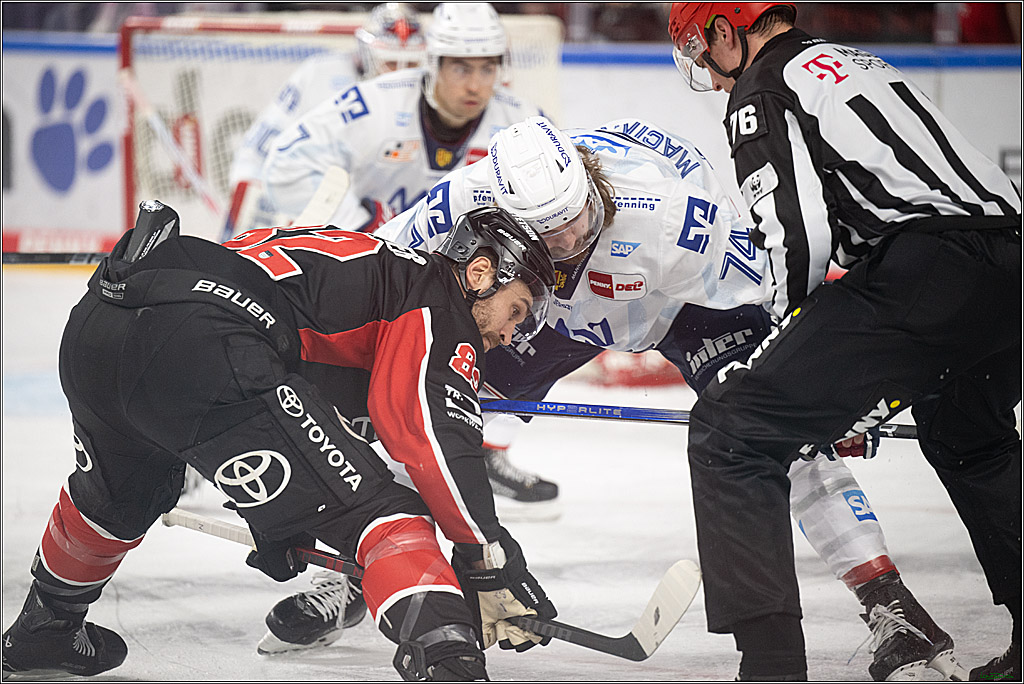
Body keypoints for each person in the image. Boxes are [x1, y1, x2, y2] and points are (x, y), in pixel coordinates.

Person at [377, 115, 976, 681]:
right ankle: (379, 550)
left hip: (681, 301)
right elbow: (370, 268)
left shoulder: (672, 220)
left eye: (578, 221)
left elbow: (787, 291)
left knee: (775, 429)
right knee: (429, 412)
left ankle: (891, 606)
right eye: (548, 234)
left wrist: (835, 388)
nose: (570, 243)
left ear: (589, 186)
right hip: (546, 309)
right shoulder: (459, 204)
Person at [0, 200, 558, 681]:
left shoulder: (366, 264)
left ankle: (46, 626)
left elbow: (303, 411)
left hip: (102, 321)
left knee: (123, 492)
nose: (508, 335)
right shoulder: (439, 299)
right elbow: (427, 433)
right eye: (516, 311)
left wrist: (293, 511)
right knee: (384, 515)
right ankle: (452, 664)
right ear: (481, 273)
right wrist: (487, 557)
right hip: (205, 337)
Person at [668, 3, 1021, 681]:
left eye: (698, 48)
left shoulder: (760, 89)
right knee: (972, 441)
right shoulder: (855, 61)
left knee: (731, 429)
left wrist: (791, 362)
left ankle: (771, 668)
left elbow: (797, 236)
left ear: (723, 29)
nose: (709, 76)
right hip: (1011, 267)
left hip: (933, 271)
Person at [259, 2, 561, 522]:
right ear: (433, 64)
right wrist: (352, 227)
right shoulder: (374, 106)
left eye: (487, 67)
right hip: (379, 281)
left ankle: (487, 447)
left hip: (469, 287)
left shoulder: (522, 126)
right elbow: (288, 160)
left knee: (532, 328)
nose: (475, 83)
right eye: (461, 67)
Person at [224, 2, 427, 238]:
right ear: (366, 54)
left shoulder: (433, 104)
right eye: (390, 63)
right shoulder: (320, 75)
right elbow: (257, 151)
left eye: (411, 65)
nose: (401, 76)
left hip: (374, 230)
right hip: (310, 219)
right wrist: (253, 198)